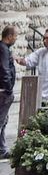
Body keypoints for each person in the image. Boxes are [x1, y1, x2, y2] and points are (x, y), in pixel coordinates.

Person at [0, 25, 16, 159]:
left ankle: (2, 149)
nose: (16, 38)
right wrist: (8, 88)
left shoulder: (4, 49)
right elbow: (5, 69)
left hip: (3, 90)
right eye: (15, 36)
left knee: (3, 120)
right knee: (1, 120)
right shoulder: (3, 49)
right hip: (3, 91)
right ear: (9, 36)